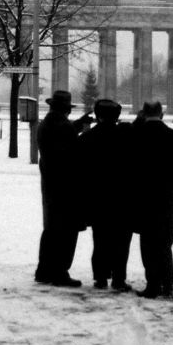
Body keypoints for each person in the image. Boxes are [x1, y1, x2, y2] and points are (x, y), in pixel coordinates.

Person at [130, 101, 173, 299]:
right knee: (165, 244)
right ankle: (168, 284)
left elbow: (128, 168)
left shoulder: (136, 136)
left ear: (144, 114)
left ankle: (153, 284)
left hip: (143, 198)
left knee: (148, 245)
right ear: (162, 114)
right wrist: (170, 187)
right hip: (166, 200)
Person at [33, 90, 93, 287]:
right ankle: (60, 271)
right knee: (66, 232)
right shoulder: (62, 126)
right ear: (65, 109)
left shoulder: (48, 123)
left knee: (51, 230)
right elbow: (73, 152)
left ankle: (44, 270)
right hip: (66, 188)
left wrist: (77, 125)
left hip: (51, 186)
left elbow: (62, 139)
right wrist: (85, 133)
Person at [76, 99, 134, 292]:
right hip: (123, 198)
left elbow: (80, 171)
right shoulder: (126, 137)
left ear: (98, 115)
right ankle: (118, 278)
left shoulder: (86, 138)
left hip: (97, 199)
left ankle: (100, 277)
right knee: (121, 241)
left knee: (100, 240)